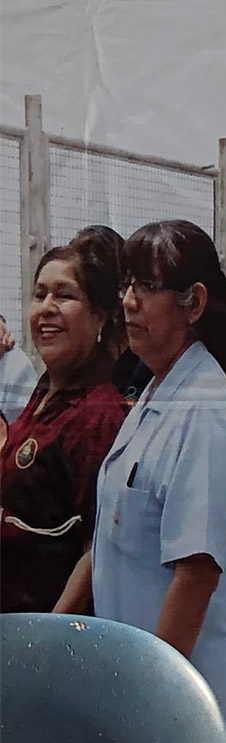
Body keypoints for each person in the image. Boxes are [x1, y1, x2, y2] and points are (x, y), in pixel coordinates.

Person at [56, 219, 226, 743]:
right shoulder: (158, 388)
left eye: (144, 286)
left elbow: (194, 577)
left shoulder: (205, 408)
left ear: (192, 302)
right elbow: (111, 540)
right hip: (144, 691)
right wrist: (49, 632)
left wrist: (145, 707)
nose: (127, 301)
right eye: (126, 285)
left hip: (173, 704)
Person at [1, 233, 131, 612]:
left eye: (65, 295)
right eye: (40, 294)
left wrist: (52, 636)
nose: (47, 307)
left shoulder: (97, 415)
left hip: (50, 639)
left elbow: (98, 549)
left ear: (99, 316)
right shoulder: (44, 390)